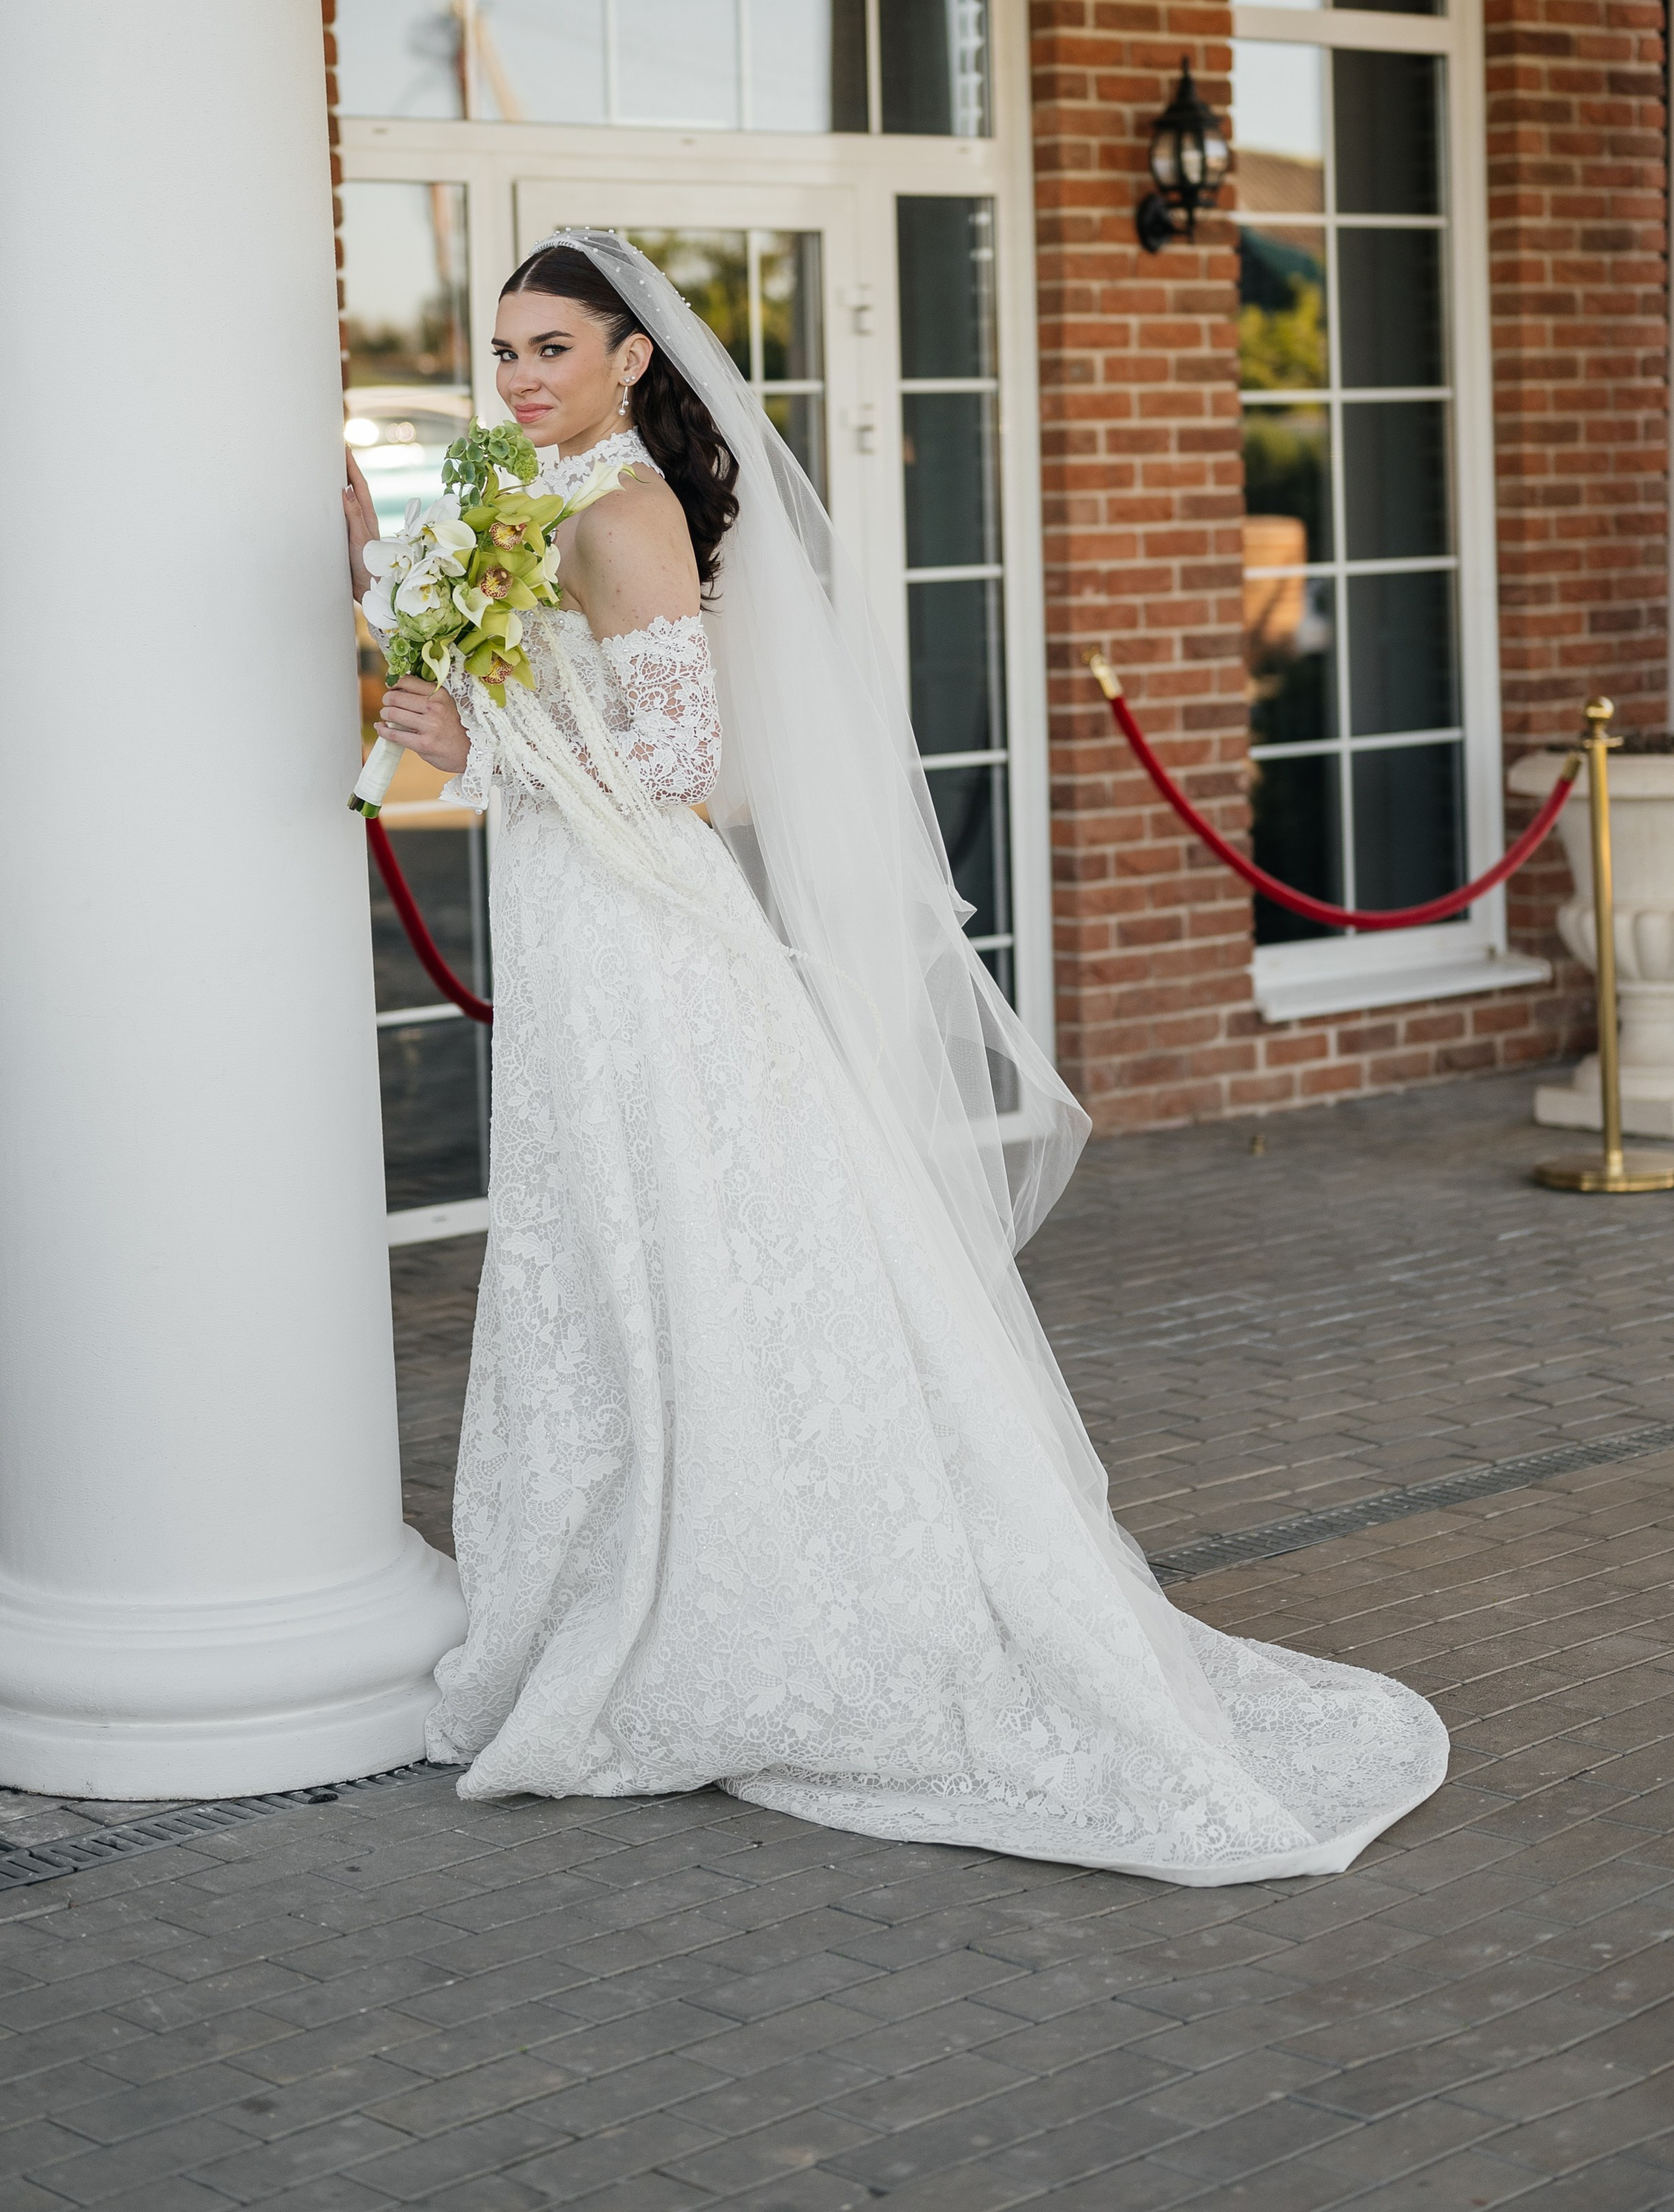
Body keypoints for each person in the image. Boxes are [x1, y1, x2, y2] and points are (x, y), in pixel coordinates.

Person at [341, 230, 1447, 1886]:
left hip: (644, 932)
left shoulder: (624, 510)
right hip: (582, 926)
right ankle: (612, 1564)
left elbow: (683, 771)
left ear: (633, 357)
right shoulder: (543, 502)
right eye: (500, 351)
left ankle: (733, 1590)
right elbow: (572, 720)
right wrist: (418, 624)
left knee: (684, 1239)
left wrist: (475, 730)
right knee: (616, 1242)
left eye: (548, 348)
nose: (516, 378)